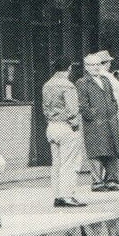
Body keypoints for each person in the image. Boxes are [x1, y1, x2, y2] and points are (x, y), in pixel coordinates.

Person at [41, 60, 86, 208]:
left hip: (52, 126)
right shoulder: (68, 85)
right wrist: (74, 123)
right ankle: (67, 195)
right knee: (70, 163)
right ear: (69, 68)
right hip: (66, 126)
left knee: (56, 163)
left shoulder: (47, 85)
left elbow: (45, 108)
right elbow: (72, 109)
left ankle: (57, 195)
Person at [76, 50, 119, 192]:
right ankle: (97, 182)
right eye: (92, 65)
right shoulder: (82, 82)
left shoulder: (105, 80)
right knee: (96, 152)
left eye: (98, 64)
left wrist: (114, 110)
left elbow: (113, 99)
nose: (96, 67)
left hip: (110, 121)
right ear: (86, 67)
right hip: (95, 123)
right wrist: (93, 115)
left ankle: (111, 180)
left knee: (112, 149)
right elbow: (82, 105)